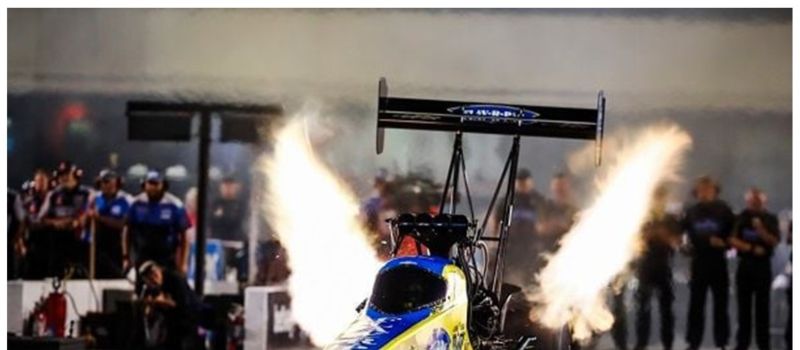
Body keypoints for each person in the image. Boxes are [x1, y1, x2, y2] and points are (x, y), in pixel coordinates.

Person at [682, 176, 735, 350]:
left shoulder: (724, 210)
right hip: (698, 263)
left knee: (721, 304)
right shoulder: (691, 211)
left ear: (714, 191)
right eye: (701, 189)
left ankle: (721, 343)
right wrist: (685, 248)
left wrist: (725, 244)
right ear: (696, 192)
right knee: (696, 305)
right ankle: (693, 343)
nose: (704, 192)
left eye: (708, 189)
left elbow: (734, 236)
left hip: (718, 262)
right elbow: (680, 236)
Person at [729, 188, 779, 350]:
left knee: (762, 309)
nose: (755, 202)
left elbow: (774, 241)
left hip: (763, 267)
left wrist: (760, 230)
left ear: (764, 201)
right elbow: (732, 239)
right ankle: (742, 344)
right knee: (744, 309)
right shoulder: (740, 217)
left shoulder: (770, 218)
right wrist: (750, 248)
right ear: (747, 200)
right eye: (752, 200)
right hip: (745, 266)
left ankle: (763, 344)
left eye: (758, 200)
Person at [124, 170, 191, 288]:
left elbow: (184, 236)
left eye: (156, 184)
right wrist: (126, 257)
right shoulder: (136, 203)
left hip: (167, 257)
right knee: (142, 290)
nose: (152, 187)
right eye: (150, 183)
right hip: (143, 256)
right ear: (144, 185)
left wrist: (183, 263)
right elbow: (127, 231)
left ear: (163, 185)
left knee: (168, 289)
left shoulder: (174, 204)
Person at [634, 185, 681, 350]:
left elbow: (677, 242)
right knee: (642, 309)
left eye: (661, 198)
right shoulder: (642, 217)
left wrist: (664, 235)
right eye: (655, 198)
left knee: (666, 309)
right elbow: (634, 242)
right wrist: (650, 235)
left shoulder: (670, 219)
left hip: (664, 266)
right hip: (645, 266)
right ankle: (641, 344)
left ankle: (668, 344)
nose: (658, 202)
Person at [35, 161, 93, 278]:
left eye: (67, 174)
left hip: (80, 242)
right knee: (55, 275)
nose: (64, 178)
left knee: (80, 276)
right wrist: (57, 223)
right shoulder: (53, 194)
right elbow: (40, 219)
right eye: (61, 175)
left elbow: (88, 214)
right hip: (58, 242)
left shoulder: (87, 193)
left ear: (76, 175)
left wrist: (77, 221)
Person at [138, 260, 201, 349]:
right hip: (168, 326)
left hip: (186, 322)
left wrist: (164, 302)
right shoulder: (151, 288)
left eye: (154, 274)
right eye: (150, 279)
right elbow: (148, 313)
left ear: (159, 270)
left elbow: (183, 306)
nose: (154, 280)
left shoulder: (175, 280)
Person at [88, 169, 132, 279]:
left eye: (109, 182)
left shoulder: (126, 199)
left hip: (119, 244)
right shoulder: (94, 198)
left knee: (117, 275)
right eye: (104, 182)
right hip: (98, 244)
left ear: (117, 183)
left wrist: (100, 218)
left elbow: (124, 224)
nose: (106, 185)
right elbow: (88, 216)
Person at [209, 176, 247, 280]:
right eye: (225, 186)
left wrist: (222, 217)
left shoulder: (241, 204)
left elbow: (237, 221)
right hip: (218, 240)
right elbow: (211, 221)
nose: (228, 189)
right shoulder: (214, 203)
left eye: (231, 186)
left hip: (236, 241)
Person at [17, 169, 53, 279]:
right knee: (30, 273)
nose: (40, 184)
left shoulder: (53, 198)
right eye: (37, 181)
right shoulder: (28, 202)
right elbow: (23, 222)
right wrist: (20, 242)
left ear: (47, 182)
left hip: (50, 241)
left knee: (48, 274)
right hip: (32, 241)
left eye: (42, 180)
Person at [7, 188, 25, 279]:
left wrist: (17, 239)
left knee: (9, 274)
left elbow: (21, 220)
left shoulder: (12, 196)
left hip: (8, 241)